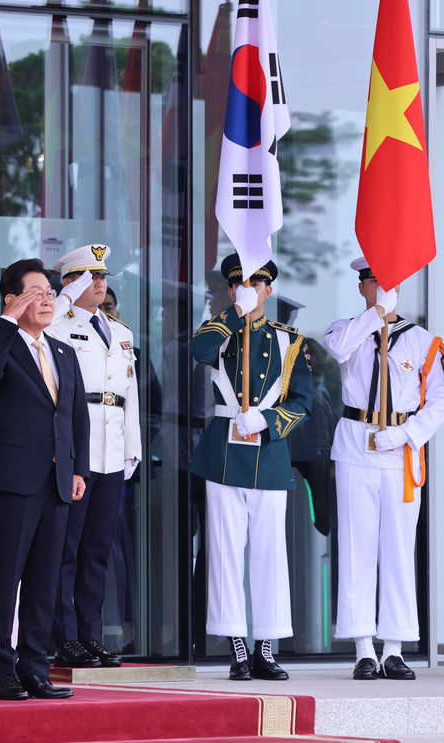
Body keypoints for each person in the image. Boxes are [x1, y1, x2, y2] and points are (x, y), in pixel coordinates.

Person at [188, 254, 313, 681]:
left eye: (257, 284)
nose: (251, 289)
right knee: (224, 552)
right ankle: (236, 645)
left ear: (269, 289)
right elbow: (198, 348)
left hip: (268, 452)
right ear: (230, 289)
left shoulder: (289, 340)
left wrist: (268, 420)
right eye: (240, 284)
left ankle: (266, 646)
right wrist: (234, 312)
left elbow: (302, 401)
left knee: (269, 554)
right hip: (223, 453)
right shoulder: (221, 332)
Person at [0, 258, 89, 701]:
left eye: (49, 292)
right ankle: (1, 670)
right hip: (13, 480)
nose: (46, 299)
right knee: (5, 577)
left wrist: (78, 468)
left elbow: (77, 417)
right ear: (11, 299)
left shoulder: (64, 352)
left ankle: (35, 668)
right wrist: (5, 320)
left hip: (58, 481)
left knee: (45, 581)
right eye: (35, 292)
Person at [324, 257, 444, 681]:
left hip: (398, 453)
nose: (385, 288)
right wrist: (375, 315)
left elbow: (439, 401)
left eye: (390, 282)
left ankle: (394, 647)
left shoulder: (424, 342)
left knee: (397, 550)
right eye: (376, 282)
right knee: (357, 549)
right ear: (363, 288)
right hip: (357, 445)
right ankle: (362, 647)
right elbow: (338, 351)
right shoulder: (346, 330)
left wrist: (408, 433)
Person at [44, 244, 141, 668]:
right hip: (76, 452)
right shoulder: (58, 324)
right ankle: (64, 638)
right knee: (67, 548)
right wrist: (62, 299)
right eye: (89, 276)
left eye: (102, 277)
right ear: (70, 282)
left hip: (112, 450)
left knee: (97, 550)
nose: (99, 283)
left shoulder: (121, 332)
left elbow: (128, 396)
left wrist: (133, 449)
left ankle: (90, 634)